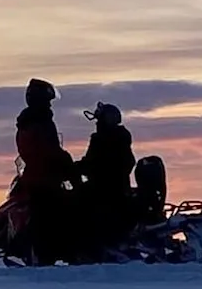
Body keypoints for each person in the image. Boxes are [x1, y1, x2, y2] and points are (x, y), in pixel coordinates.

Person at [14, 79, 77, 263]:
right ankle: (50, 253)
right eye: (47, 99)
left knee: (48, 214)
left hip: (38, 176)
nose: (50, 103)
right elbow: (49, 150)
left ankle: (51, 252)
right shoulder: (40, 122)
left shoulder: (28, 121)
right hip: (45, 178)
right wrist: (68, 165)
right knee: (57, 214)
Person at [76, 102, 137, 247]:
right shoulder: (121, 136)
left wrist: (76, 167)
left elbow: (94, 161)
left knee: (78, 200)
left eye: (99, 120)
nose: (97, 123)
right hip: (116, 186)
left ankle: (89, 244)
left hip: (105, 187)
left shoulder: (102, 139)